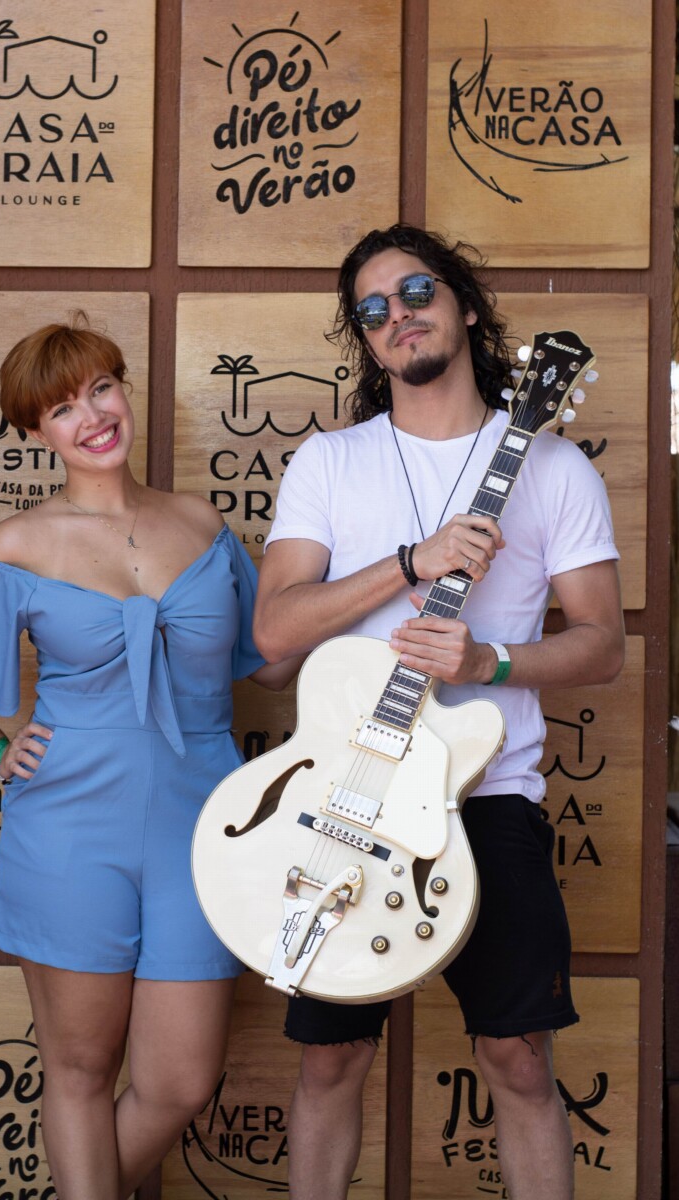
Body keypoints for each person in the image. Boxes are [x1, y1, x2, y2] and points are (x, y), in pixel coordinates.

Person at [252, 224, 625, 1200]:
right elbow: (273, 632)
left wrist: (488, 659)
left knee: (518, 1060)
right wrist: (409, 562)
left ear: (463, 305)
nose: (398, 316)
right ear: (364, 339)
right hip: (351, 792)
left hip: (490, 796)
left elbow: (602, 645)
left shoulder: (553, 468)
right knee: (332, 1059)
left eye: (417, 291)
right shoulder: (330, 464)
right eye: (372, 309)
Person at [0, 315, 298, 1200]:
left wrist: (371, 593)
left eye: (101, 390)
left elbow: (270, 662)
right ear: (35, 431)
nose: (92, 417)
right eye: (62, 409)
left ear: (124, 391)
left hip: (205, 822)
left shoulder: (202, 523)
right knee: (80, 1069)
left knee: (180, 1080)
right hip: (70, 824)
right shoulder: (15, 543)